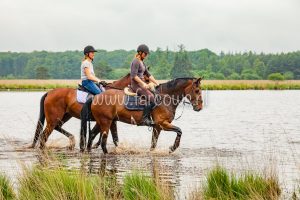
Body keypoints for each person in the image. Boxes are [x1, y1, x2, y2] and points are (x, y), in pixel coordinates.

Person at [130, 44, 159, 126]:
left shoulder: (142, 62)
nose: (146, 55)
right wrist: (143, 83)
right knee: (152, 98)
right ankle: (145, 119)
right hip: (136, 85)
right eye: (145, 54)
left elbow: (149, 75)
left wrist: (157, 83)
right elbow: (134, 76)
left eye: (146, 54)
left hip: (142, 85)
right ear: (140, 52)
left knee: (156, 94)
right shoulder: (135, 61)